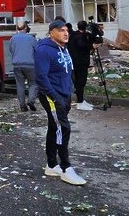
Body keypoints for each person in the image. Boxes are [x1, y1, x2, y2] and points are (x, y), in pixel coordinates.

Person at [34, 19, 86, 186]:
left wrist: (69, 92)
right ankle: (65, 168)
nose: (66, 33)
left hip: (64, 94)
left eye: (66, 30)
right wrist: (55, 97)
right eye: (61, 30)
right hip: (52, 96)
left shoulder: (64, 49)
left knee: (54, 127)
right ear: (51, 33)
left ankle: (51, 165)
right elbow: (41, 77)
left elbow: (67, 71)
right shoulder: (44, 50)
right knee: (63, 128)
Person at [9, 21, 37, 112]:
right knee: (33, 83)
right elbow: (37, 50)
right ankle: (31, 101)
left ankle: (22, 106)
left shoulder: (13, 39)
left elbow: (11, 50)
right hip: (30, 65)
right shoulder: (31, 38)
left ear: (17, 29)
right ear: (25, 28)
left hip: (17, 65)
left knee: (20, 85)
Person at [68, 21, 95, 111]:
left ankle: (81, 100)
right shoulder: (81, 37)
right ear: (85, 27)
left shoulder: (72, 35)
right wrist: (91, 46)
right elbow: (82, 45)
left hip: (74, 61)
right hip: (81, 62)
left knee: (79, 82)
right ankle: (80, 102)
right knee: (81, 81)